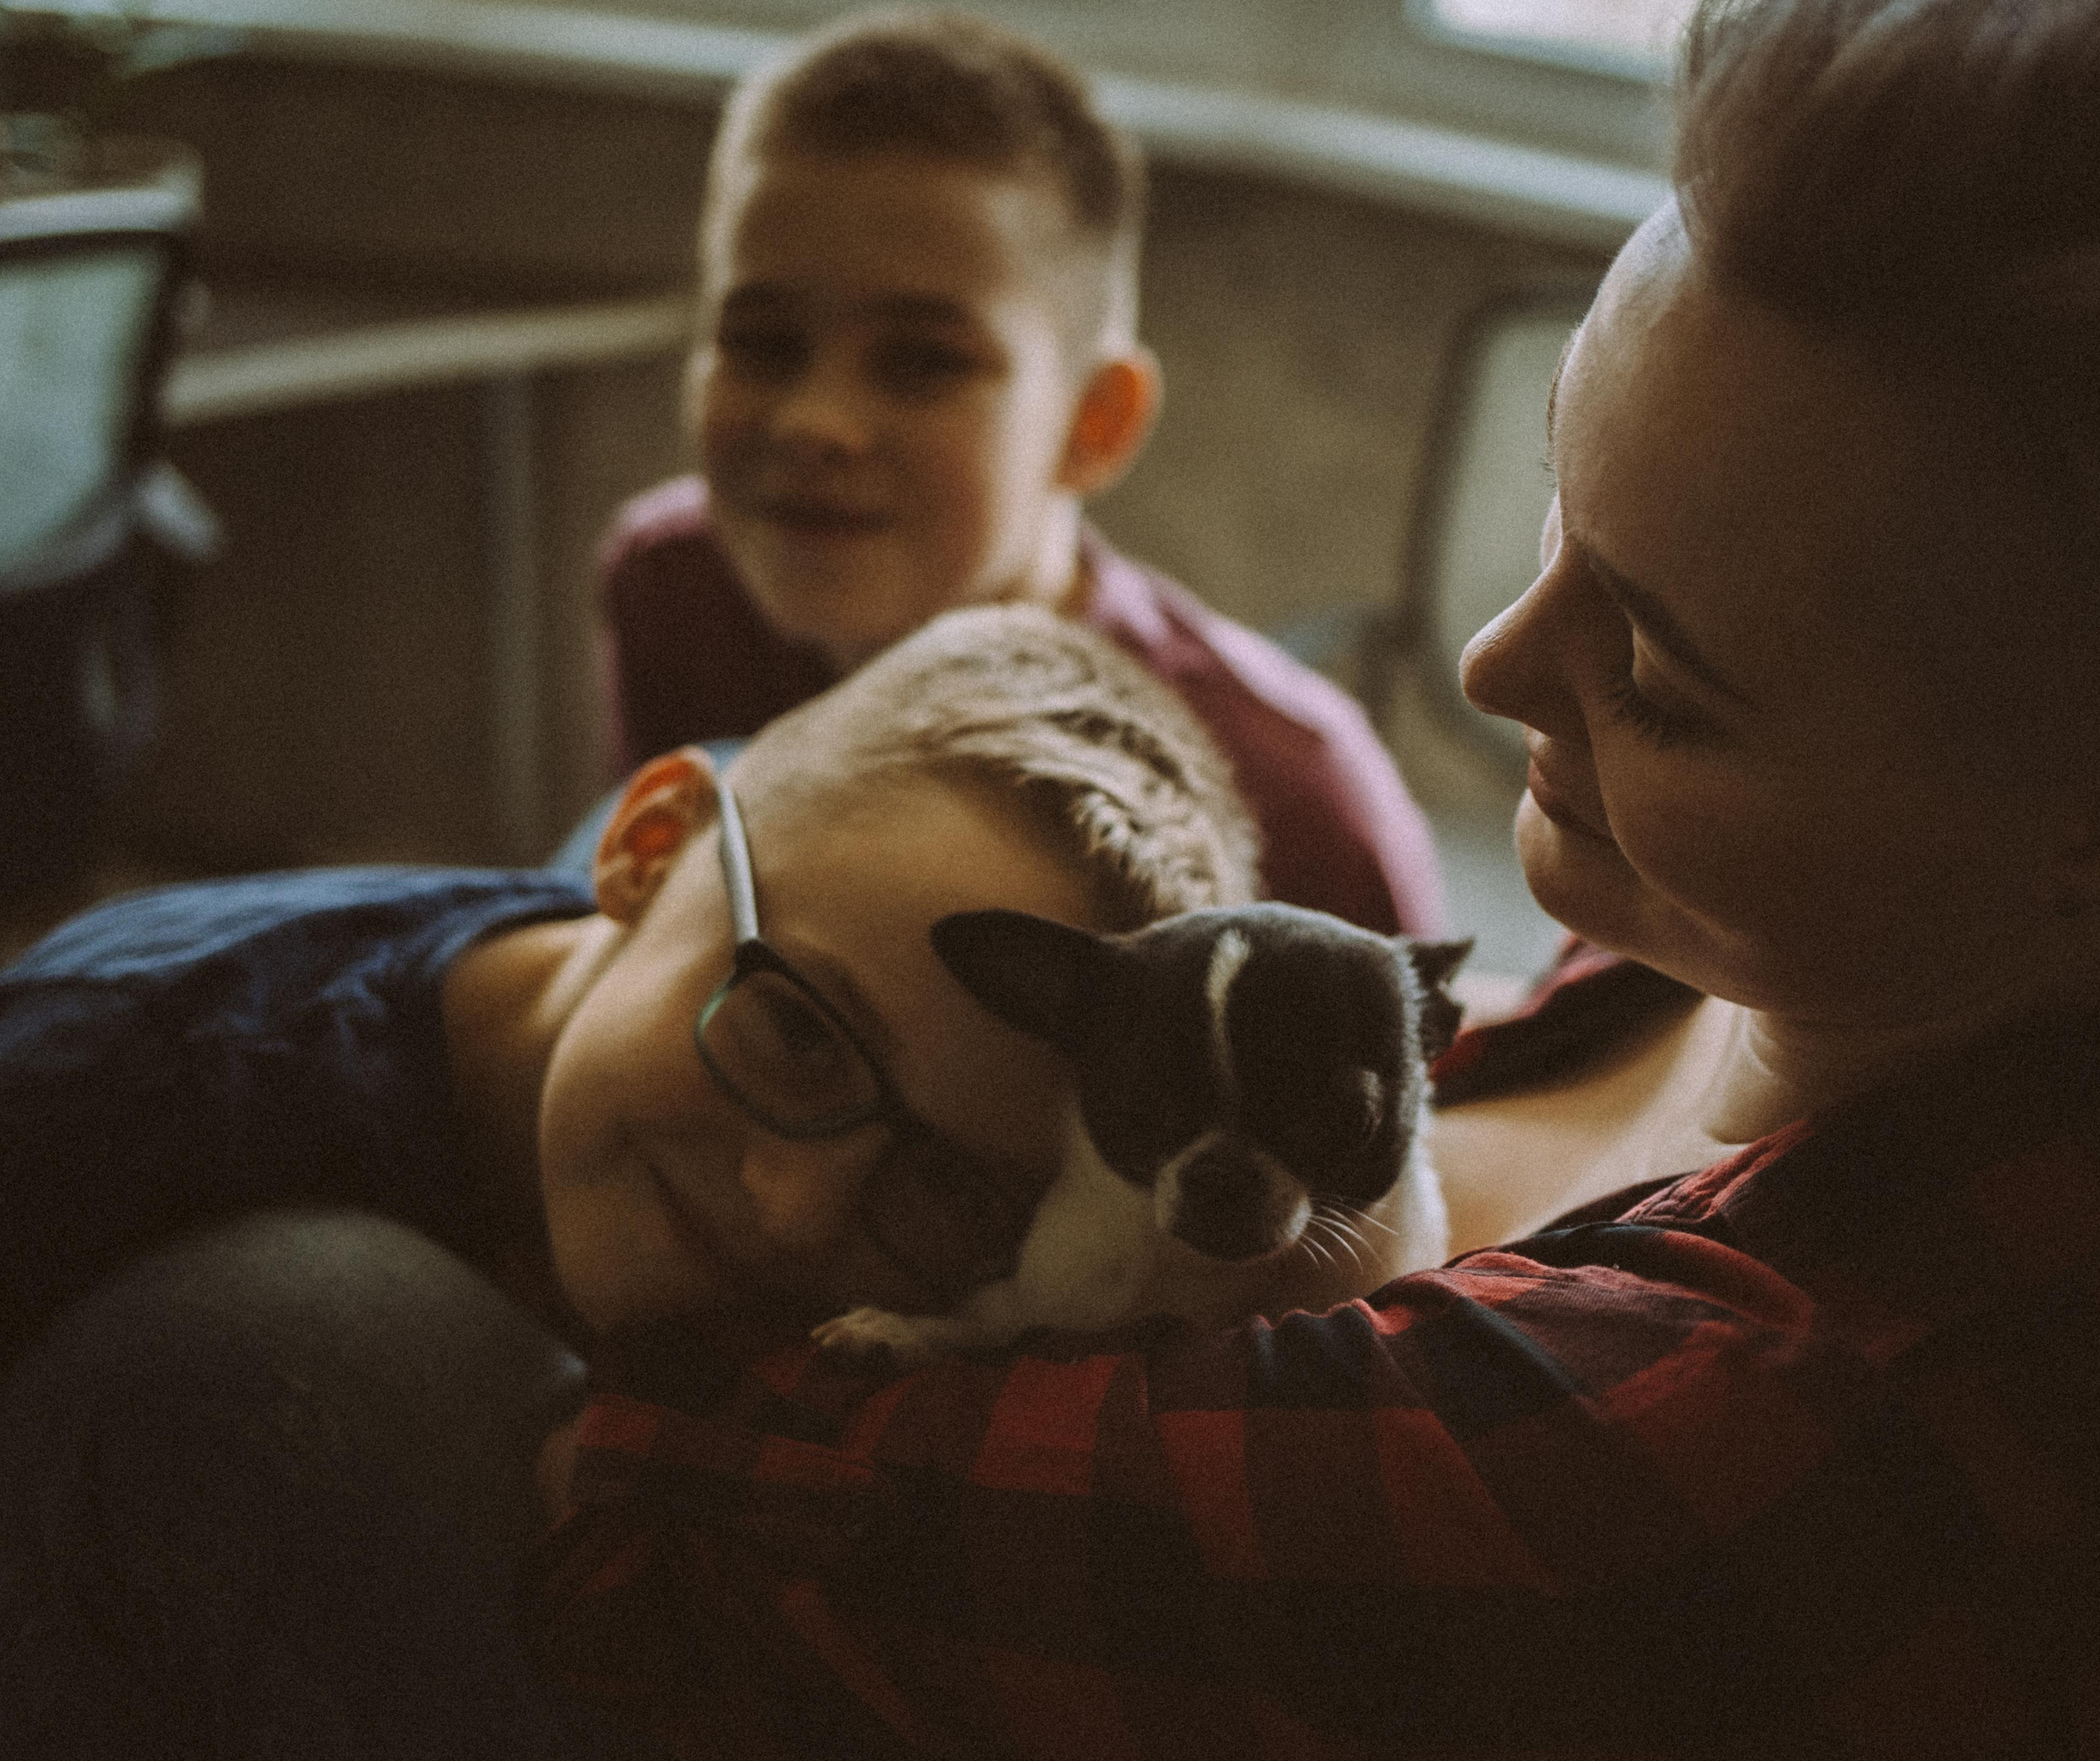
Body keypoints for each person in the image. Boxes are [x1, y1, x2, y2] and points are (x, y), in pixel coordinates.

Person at [527, 0, 2100, 1754]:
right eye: (1559, 512)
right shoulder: (1767, 947)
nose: (1487, 664)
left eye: (1654, 676)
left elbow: (651, 1480)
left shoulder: (1712, 1444)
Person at [0, 604, 1260, 1758]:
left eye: (950, 1188)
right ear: (647, 850)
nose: (794, 1206)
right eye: (802, 1034)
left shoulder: (764, 914)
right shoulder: (110, 1097)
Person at [595, 6, 1446, 937]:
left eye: (923, 362)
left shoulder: (1294, 800)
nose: (814, 421)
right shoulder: (677, 587)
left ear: (1094, 422)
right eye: (761, 342)